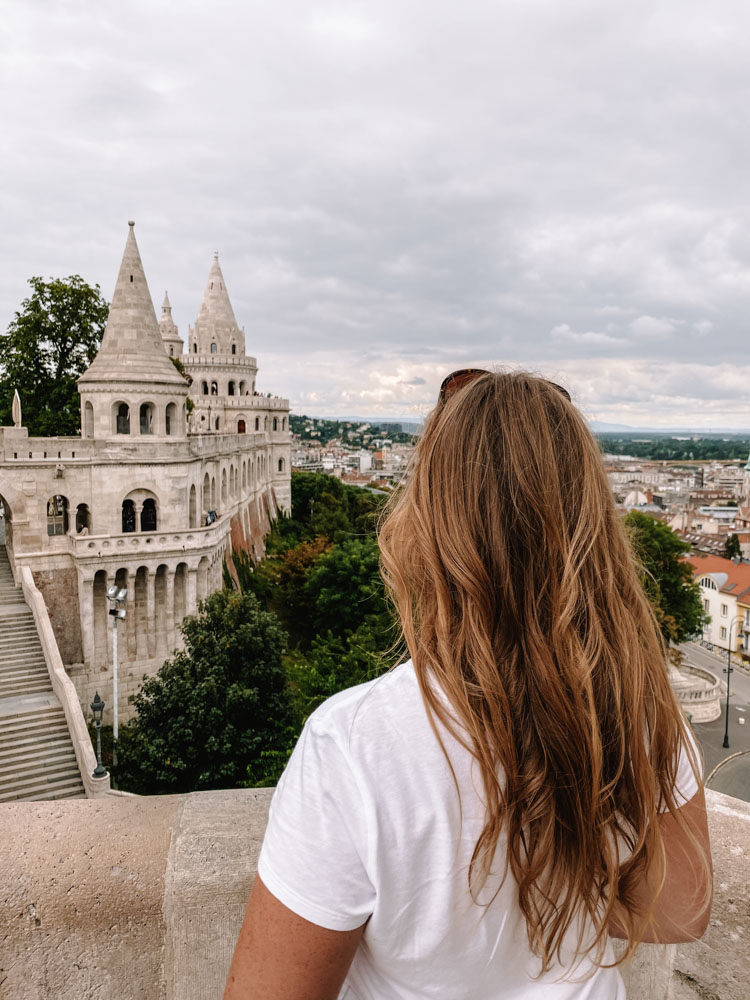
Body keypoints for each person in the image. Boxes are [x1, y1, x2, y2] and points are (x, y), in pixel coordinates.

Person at [224, 369, 712, 999]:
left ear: (426, 527)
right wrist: (567, 892)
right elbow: (679, 910)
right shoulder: (640, 711)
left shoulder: (353, 745)